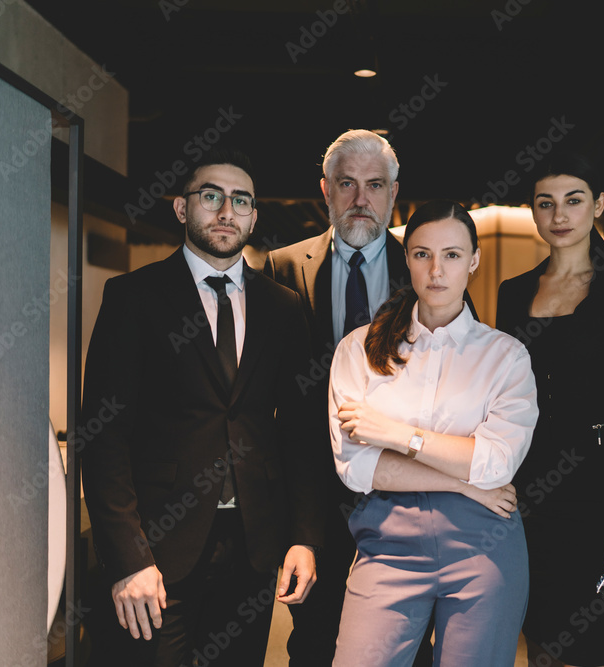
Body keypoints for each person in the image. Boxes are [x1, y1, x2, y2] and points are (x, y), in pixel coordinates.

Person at [81, 149, 322, 667]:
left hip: (254, 549)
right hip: (157, 552)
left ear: (255, 217)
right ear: (181, 208)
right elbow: (103, 438)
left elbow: (300, 434)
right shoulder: (133, 297)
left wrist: (304, 539)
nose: (226, 211)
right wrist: (127, 560)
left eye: (241, 201)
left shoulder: (282, 308)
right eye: (211, 196)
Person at [262, 129, 471, 665]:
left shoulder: (425, 266)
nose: (361, 200)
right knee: (311, 642)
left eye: (374, 185)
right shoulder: (281, 269)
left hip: (404, 489)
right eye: (347, 184)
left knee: (404, 645)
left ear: (394, 193)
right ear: (325, 190)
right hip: (312, 497)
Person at [328, 200, 539, 666]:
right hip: (388, 542)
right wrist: (463, 481)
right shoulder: (358, 350)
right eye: (422, 254)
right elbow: (357, 467)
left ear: (474, 261)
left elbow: (497, 462)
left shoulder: (505, 357)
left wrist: (395, 434)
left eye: (452, 255)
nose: (436, 270)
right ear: (407, 260)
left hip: (484, 547)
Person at [495, 154, 604, 667]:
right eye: (545, 204)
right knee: (541, 648)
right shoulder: (513, 292)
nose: (559, 215)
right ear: (533, 211)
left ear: (599, 204)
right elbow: (503, 397)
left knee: (584, 650)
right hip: (526, 497)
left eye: (574, 200)